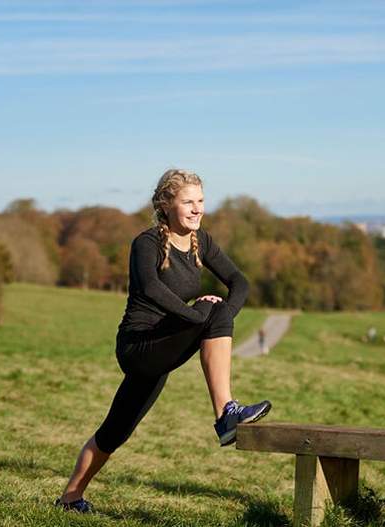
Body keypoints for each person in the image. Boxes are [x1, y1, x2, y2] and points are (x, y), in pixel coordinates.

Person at [54, 169, 272, 513]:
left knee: (115, 431)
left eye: (201, 201)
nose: (197, 208)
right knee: (209, 310)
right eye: (188, 201)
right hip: (139, 347)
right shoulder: (147, 243)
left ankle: (69, 499)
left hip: (165, 343)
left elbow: (239, 282)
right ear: (166, 204)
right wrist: (200, 317)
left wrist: (223, 314)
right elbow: (152, 289)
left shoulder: (203, 241)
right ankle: (226, 415)